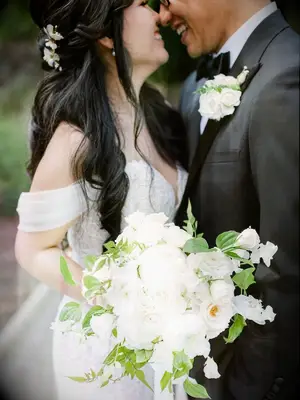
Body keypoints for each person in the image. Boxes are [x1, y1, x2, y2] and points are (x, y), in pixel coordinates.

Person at [15, 1, 189, 399]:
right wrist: (112, 295)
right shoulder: (76, 139)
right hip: (108, 354)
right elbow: (31, 247)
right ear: (107, 33)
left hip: (169, 341)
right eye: (144, 5)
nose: (160, 14)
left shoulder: (158, 117)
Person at [159, 0, 299, 399]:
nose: (163, 16)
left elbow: (287, 271)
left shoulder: (287, 75)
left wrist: (248, 386)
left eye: (168, 0)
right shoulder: (192, 87)